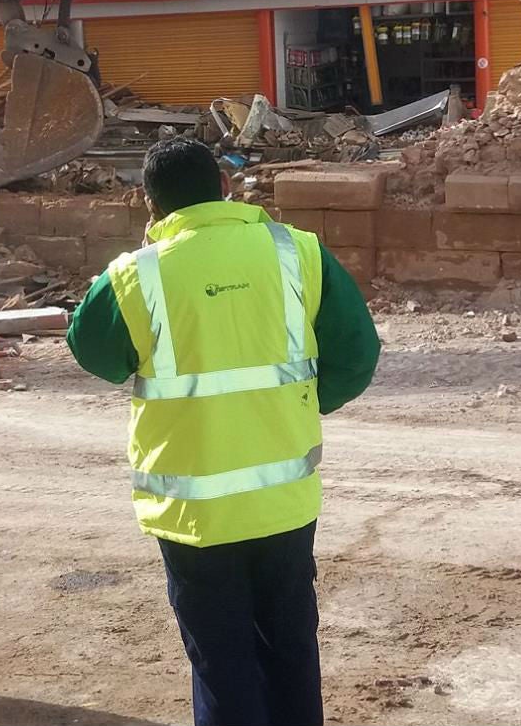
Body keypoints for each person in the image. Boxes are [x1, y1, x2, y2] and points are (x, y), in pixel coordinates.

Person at [66, 136, 381, 726]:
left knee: (220, 657)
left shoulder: (135, 275)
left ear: (148, 204)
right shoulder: (299, 253)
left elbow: (95, 352)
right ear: (226, 188)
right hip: (282, 499)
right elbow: (357, 354)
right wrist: (301, 406)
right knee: (290, 647)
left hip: (193, 512)